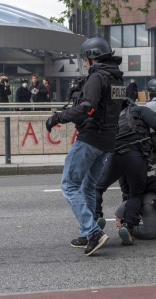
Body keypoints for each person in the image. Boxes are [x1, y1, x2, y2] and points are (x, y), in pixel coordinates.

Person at [45, 37, 125, 257]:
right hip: (107, 141)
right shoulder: (116, 79)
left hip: (90, 138)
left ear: (93, 56)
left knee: (69, 185)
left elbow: (87, 108)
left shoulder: (97, 77)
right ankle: (87, 232)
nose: (85, 63)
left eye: (85, 59)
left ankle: (92, 231)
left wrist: (58, 117)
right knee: (88, 187)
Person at [94, 98, 156, 245]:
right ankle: (128, 227)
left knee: (98, 187)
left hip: (115, 155)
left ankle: (96, 217)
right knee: (135, 194)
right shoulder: (140, 110)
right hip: (137, 155)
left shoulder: (110, 117)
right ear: (130, 104)